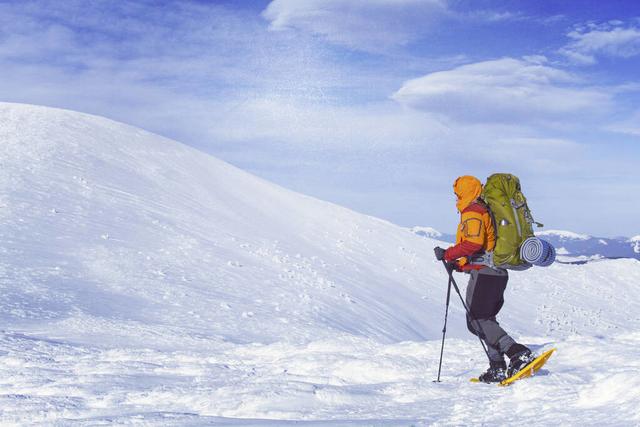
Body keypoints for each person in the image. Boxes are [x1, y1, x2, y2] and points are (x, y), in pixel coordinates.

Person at [434, 175, 535, 383]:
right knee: (484, 320)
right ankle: (497, 366)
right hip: (493, 273)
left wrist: (448, 254)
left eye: (457, 193)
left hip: (486, 274)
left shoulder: (473, 211)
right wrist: (461, 265)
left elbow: (473, 243)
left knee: (477, 321)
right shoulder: (482, 209)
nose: (456, 197)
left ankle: (517, 353)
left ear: (465, 191)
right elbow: (484, 247)